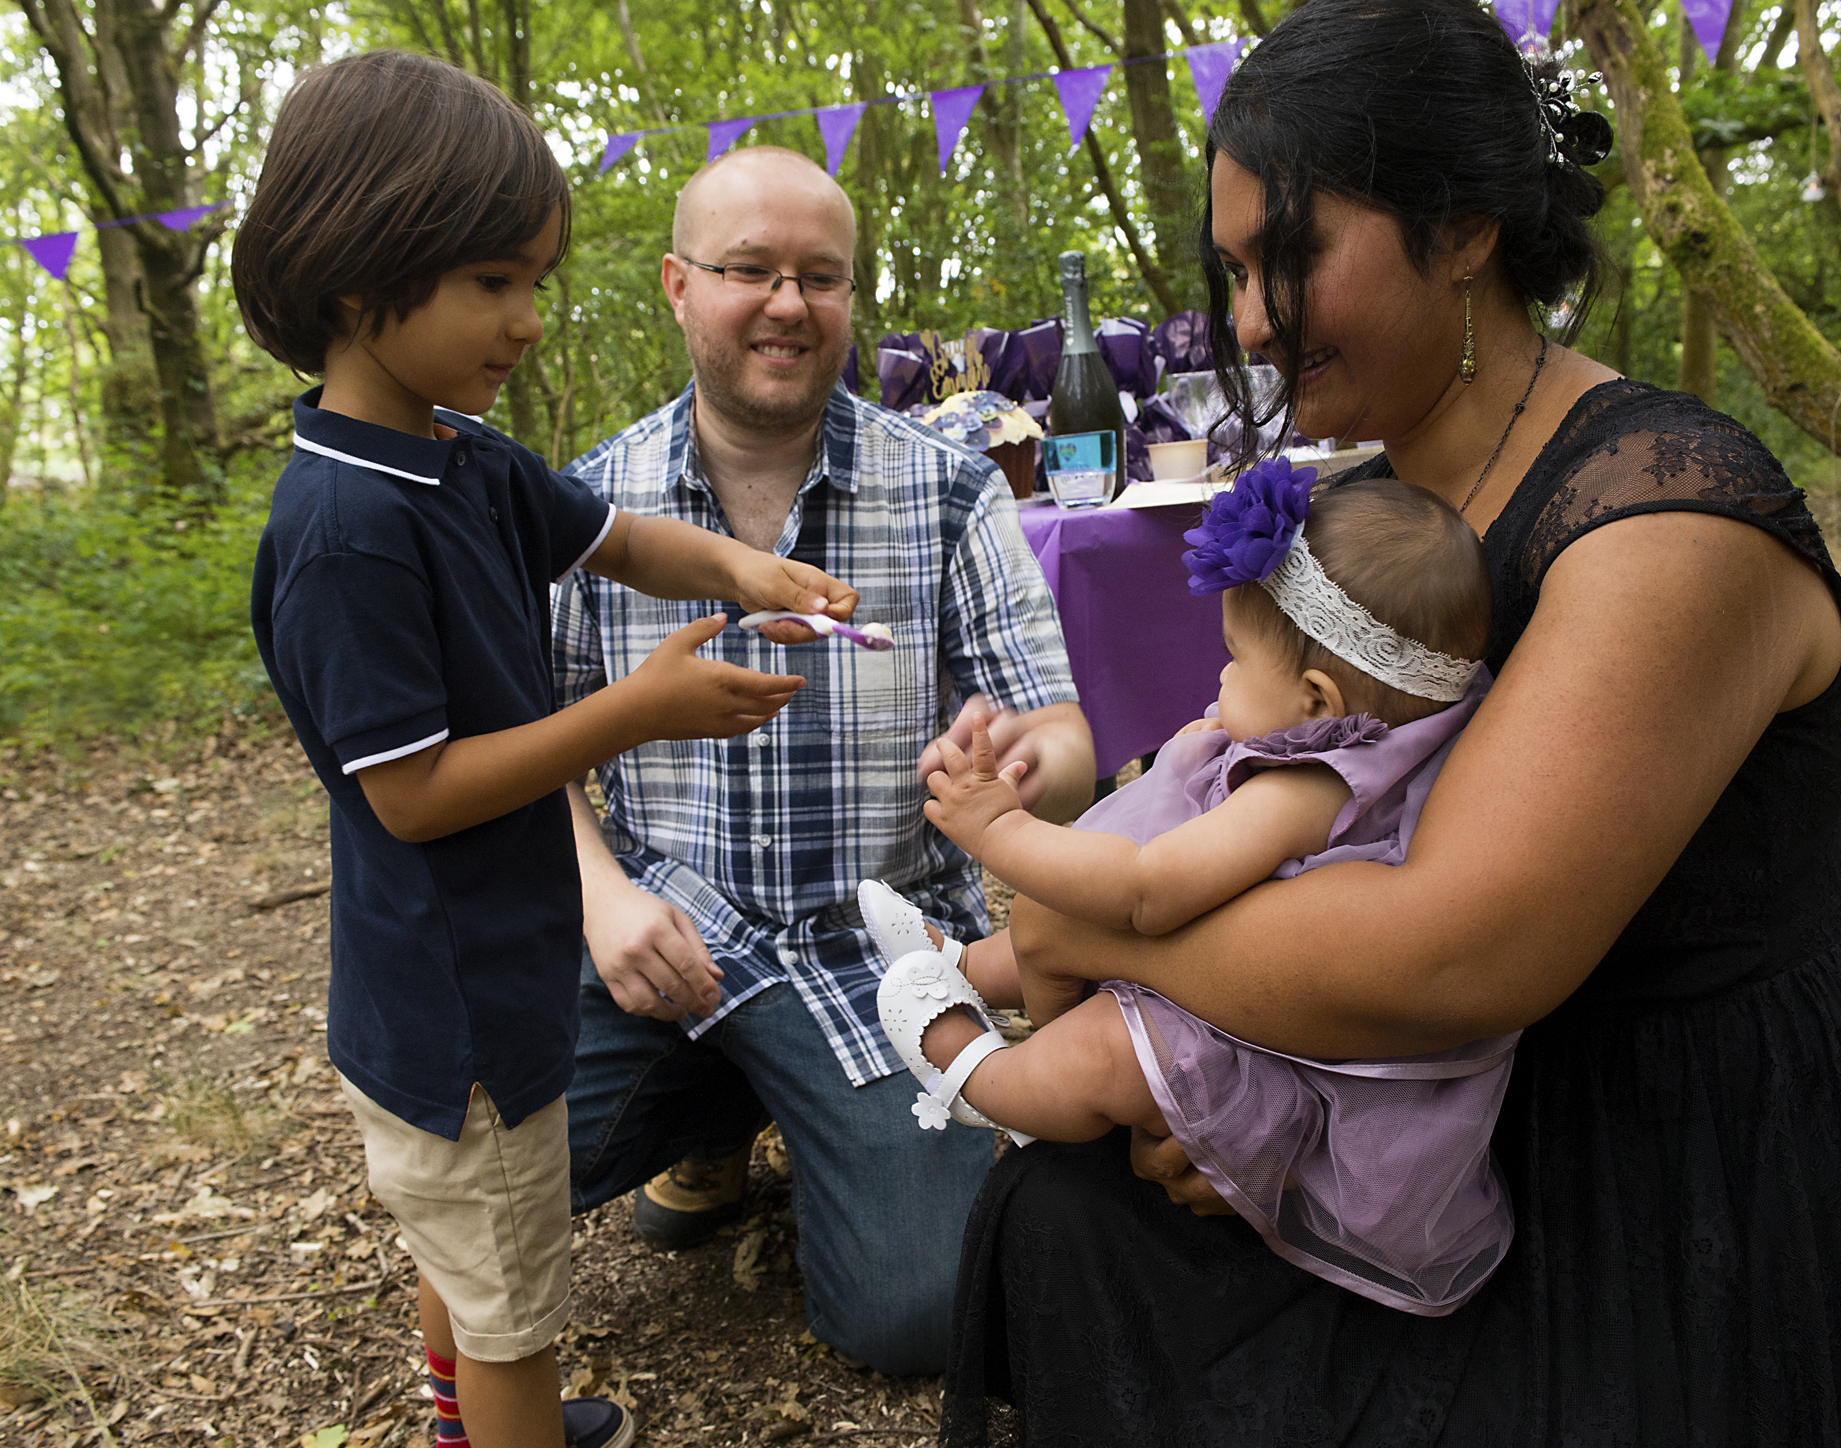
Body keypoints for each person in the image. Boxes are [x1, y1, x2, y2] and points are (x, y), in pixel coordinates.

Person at [938, 0, 1841, 1443]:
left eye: (1289, 257)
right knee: (1066, 1211)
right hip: (1422, 1110)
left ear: (1462, 228)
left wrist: (1089, 927)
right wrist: (1247, 1104)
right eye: (1236, 271)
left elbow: (1449, 955)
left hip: (1672, 1164)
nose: (1252, 320)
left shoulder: (1666, 518)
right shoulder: (1379, 509)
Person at [237, 55, 861, 1448]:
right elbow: (413, 796)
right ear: (356, 275)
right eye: (491, 282)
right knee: (514, 1313)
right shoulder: (346, 531)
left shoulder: (459, 453)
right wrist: (634, 710)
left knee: (470, 1259)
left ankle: (467, 1423)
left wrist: (745, 569)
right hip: (449, 1000)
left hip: (501, 967)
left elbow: (618, 539)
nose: (525, 319)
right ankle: (501, 1424)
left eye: (534, 280)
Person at [554, 145, 1092, 1376]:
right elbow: (531, 749)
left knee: (925, 1312)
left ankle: (795, 1101)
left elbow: (1064, 739)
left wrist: (1022, 763)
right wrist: (599, 898)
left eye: (821, 276)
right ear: (678, 285)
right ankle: (731, 1095)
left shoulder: (949, 490)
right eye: (750, 270)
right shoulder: (592, 506)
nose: (789, 303)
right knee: (478, 1157)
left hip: (877, 945)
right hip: (668, 935)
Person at [864, 468, 1516, 1317]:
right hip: (1261, 978)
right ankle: (963, 963)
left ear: (1318, 702)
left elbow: (1148, 894)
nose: (1221, 674)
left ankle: (985, 1079)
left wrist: (1000, 833)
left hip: (1274, 1051)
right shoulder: (1388, 732)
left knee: (1102, 1046)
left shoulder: (1304, 791)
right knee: (1092, 889)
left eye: (1235, 659)